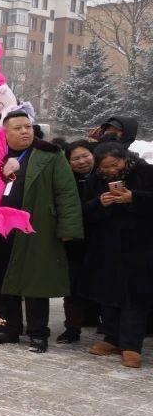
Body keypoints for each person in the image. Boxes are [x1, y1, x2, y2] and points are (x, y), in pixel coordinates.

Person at [0, 105, 83, 353]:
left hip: (36, 228)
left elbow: (66, 192)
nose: (25, 131)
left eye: (28, 127)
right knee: (2, 277)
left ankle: (38, 333)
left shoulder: (50, 155)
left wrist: (69, 228)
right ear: (5, 133)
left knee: (35, 280)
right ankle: (10, 328)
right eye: (18, 128)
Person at [81, 142, 153, 368]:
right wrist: (99, 203)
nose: (111, 170)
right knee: (108, 294)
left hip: (140, 246)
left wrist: (134, 198)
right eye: (105, 167)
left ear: (125, 159)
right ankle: (111, 338)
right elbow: (84, 211)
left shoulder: (145, 172)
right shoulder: (94, 180)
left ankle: (132, 346)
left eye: (115, 164)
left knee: (135, 297)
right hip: (107, 246)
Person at [59, 141, 98, 343]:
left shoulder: (104, 176)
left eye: (85, 156)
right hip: (74, 241)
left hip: (101, 240)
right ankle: (72, 328)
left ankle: (102, 324)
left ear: (94, 155)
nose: (81, 161)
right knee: (73, 286)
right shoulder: (65, 180)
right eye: (75, 158)